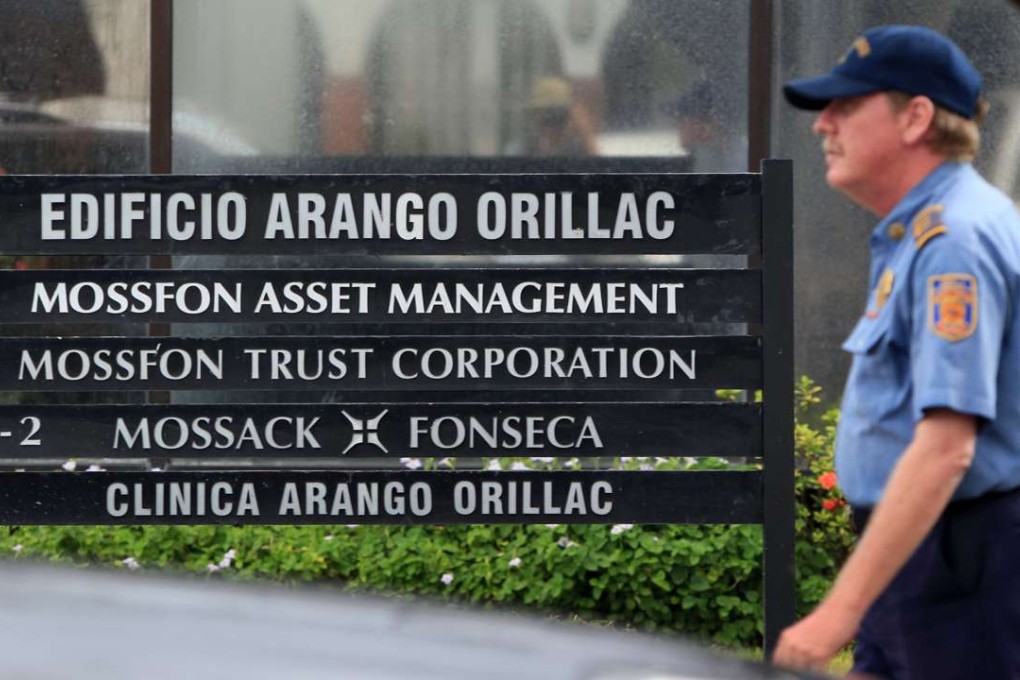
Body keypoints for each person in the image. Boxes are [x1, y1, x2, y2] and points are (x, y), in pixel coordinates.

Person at [775, 25, 1020, 678]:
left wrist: (836, 615)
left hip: (955, 558)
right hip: (920, 555)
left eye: (847, 105)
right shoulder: (924, 232)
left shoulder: (953, 244)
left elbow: (947, 448)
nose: (823, 124)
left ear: (915, 117)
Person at [509, 76, 596, 157]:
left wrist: (585, 133)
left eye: (559, 116)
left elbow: (598, 169)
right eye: (547, 118)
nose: (552, 127)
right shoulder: (521, 150)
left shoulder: (578, 152)